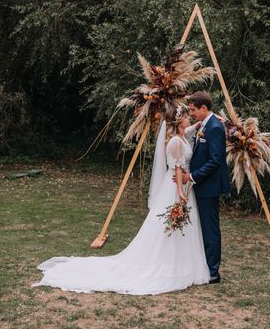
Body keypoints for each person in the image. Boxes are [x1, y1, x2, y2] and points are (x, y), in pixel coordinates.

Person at [32, 105, 210, 295]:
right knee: (170, 224)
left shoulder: (182, 135)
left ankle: (181, 264)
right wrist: (181, 193)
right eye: (186, 116)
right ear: (178, 120)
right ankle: (168, 265)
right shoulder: (175, 141)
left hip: (183, 184)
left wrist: (204, 121)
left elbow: (190, 131)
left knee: (179, 226)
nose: (189, 118)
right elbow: (176, 168)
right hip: (176, 186)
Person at [175, 91, 230, 284]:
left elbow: (215, 160)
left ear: (204, 108)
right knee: (204, 228)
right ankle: (205, 266)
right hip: (202, 185)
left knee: (210, 229)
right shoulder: (206, 125)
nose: (191, 114)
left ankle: (213, 272)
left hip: (209, 187)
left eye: (193, 110)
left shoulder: (214, 127)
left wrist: (192, 176)